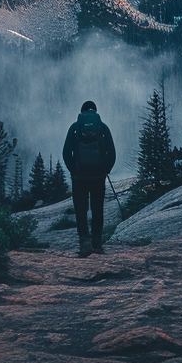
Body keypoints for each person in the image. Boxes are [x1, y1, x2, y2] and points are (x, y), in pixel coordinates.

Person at [62, 100, 116, 257]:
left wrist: (74, 170)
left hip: (79, 177)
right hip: (98, 176)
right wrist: (106, 170)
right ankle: (97, 245)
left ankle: (85, 243)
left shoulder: (75, 128)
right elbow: (112, 152)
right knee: (97, 209)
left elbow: (66, 153)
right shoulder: (103, 127)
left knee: (81, 210)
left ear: (82, 111)